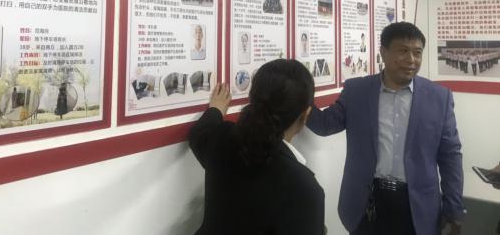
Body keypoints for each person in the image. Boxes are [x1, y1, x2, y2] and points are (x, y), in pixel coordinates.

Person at [307, 22, 464, 235]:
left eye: (417, 53)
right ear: (383, 52)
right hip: (367, 202)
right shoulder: (357, 91)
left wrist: (454, 208)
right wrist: (299, 90)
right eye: (403, 51)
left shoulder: (439, 97)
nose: (411, 60)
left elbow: (450, 156)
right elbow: (325, 125)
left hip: (417, 206)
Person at [189, 59, 325, 235]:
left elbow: (199, 133)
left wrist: (216, 109)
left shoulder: (222, 137)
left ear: (252, 98)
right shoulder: (303, 187)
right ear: (305, 115)